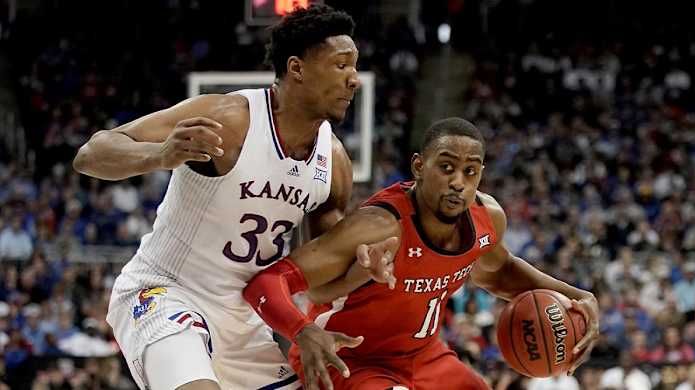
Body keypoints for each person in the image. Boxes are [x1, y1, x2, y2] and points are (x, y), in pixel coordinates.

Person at [73, 5, 392, 390]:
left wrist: (361, 270)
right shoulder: (230, 119)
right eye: (341, 65)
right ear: (297, 69)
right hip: (166, 291)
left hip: (243, 323)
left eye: (354, 67)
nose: (354, 79)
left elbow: (318, 284)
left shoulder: (334, 162)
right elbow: (91, 154)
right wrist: (159, 155)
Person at [242, 118, 601, 390]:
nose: (458, 181)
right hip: (348, 357)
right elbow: (266, 283)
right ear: (418, 167)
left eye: (469, 171)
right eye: (446, 167)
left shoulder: (486, 219)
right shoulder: (379, 226)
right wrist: (302, 331)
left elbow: (500, 272)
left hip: (422, 355)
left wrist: (579, 297)